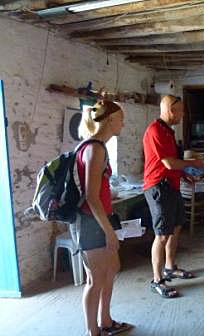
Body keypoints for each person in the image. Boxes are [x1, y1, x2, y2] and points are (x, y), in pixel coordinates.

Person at [76, 100, 132, 336]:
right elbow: (90, 196)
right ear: (110, 120)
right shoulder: (95, 148)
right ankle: (93, 331)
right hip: (91, 222)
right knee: (95, 279)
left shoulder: (98, 147)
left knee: (111, 269)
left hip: (100, 218)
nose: (123, 123)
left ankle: (106, 321)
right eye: (120, 118)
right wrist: (108, 231)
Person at [143, 95, 204, 298]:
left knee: (176, 227)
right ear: (169, 110)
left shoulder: (168, 131)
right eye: (179, 110)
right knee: (161, 234)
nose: (182, 114)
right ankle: (157, 280)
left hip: (172, 185)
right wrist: (194, 164)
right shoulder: (155, 130)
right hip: (158, 188)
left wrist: (184, 174)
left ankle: (170, 267)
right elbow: (169, 163)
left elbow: (172, 164)